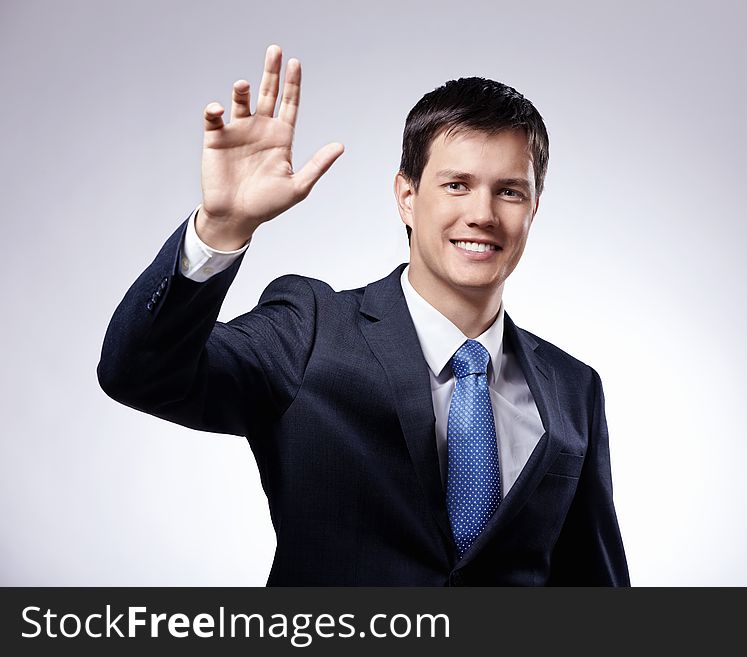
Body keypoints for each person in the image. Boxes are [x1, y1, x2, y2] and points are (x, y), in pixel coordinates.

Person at [98, 45, 630, 586]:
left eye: (510, 191)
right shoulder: (309, 330)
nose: (483, 214)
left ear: (533, 209)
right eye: (456, 184)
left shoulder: (574, 388)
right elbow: (139, 374)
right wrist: (220, 231)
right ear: (406, 195)